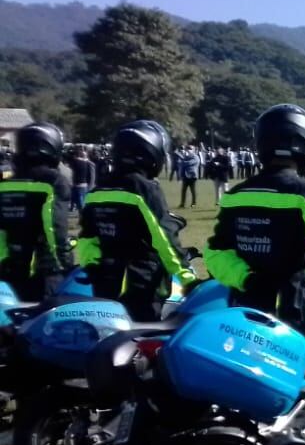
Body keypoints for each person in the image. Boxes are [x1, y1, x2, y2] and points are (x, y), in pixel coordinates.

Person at [205, 104, 305, 335]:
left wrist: (248, 280)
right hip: (291, 311)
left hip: (243, 311)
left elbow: (215, 253)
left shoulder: (234, 195)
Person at [78, 120, 195, 321]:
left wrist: (92, 266)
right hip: (141, 284)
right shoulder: (144, 188)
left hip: (104, 281)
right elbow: (163, 238)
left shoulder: (98, 190)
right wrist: (188, 278)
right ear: (150, 152)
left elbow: (87, 239)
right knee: (140, 341)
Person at [0, 122, 74, 300]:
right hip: (43, 272)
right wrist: (63, 264)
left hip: (8, 269)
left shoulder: (6, 184)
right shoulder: (53, 181)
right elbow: (54, 228)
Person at [68, 146, 96, 213]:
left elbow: (92, 176)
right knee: (79, 201)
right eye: (81, 154)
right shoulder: (82, 162)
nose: (82, 155)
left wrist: (90, 187)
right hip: (79, 185)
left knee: (81, 203)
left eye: (83, 154)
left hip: (83, 185)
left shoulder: (89, 163)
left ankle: (83, 214)